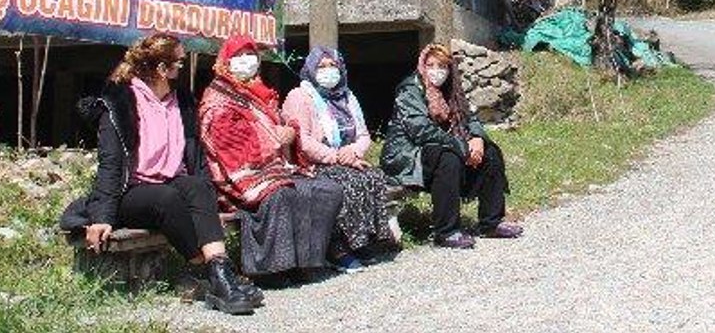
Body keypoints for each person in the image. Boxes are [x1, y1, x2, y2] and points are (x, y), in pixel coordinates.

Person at [60, 33, 259, 315]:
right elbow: (110, 164)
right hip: (131, 191)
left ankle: (220, 274)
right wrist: (101, 217)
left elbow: (196, 156)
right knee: (166, 199)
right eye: (178, 63)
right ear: (161, 70)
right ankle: (205, 270)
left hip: (169, 180)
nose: (182, 68)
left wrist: (212, 200)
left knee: (200, 188)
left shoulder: (182, 102)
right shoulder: (119, 103)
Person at [199, 34, 345, 282]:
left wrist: (290, 131)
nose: (246, 61)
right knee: (281, 194)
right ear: (226, 61)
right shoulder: (218, 99)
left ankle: (308, 262)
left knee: (326, 189)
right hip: (239, 173)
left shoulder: (258, 92)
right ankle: (269, 269)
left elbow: (282, 122)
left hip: (274, 167)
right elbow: (230, 147)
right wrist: (276, 138)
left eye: (251, 55)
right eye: (239, 56)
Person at [380, 43, 522, 249]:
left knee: (490, 152)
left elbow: (470, 118)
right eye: (431, 65)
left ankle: (491, 223)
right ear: (422, 66)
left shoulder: (452, 90)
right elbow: (420, 130)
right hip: (406, 156)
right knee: (448, 157)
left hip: (440, 149)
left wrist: (477, 138)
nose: (436, 72)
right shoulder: (410, 89)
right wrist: (462, 146)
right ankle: (446, 231)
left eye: (443, 66)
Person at [282, 46, 398, 271]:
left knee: (372, 176)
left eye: (332, 66)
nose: (328, 71)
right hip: (313, 163)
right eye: (321, 66)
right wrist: (336, 156)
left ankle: (361, 240)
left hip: (346, 158)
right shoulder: (300, 96)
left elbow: (364, 135)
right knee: (346, 182)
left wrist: (353, 152)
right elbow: (302, 140)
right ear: (310, 69)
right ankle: (337, 248)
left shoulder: (348, 96)